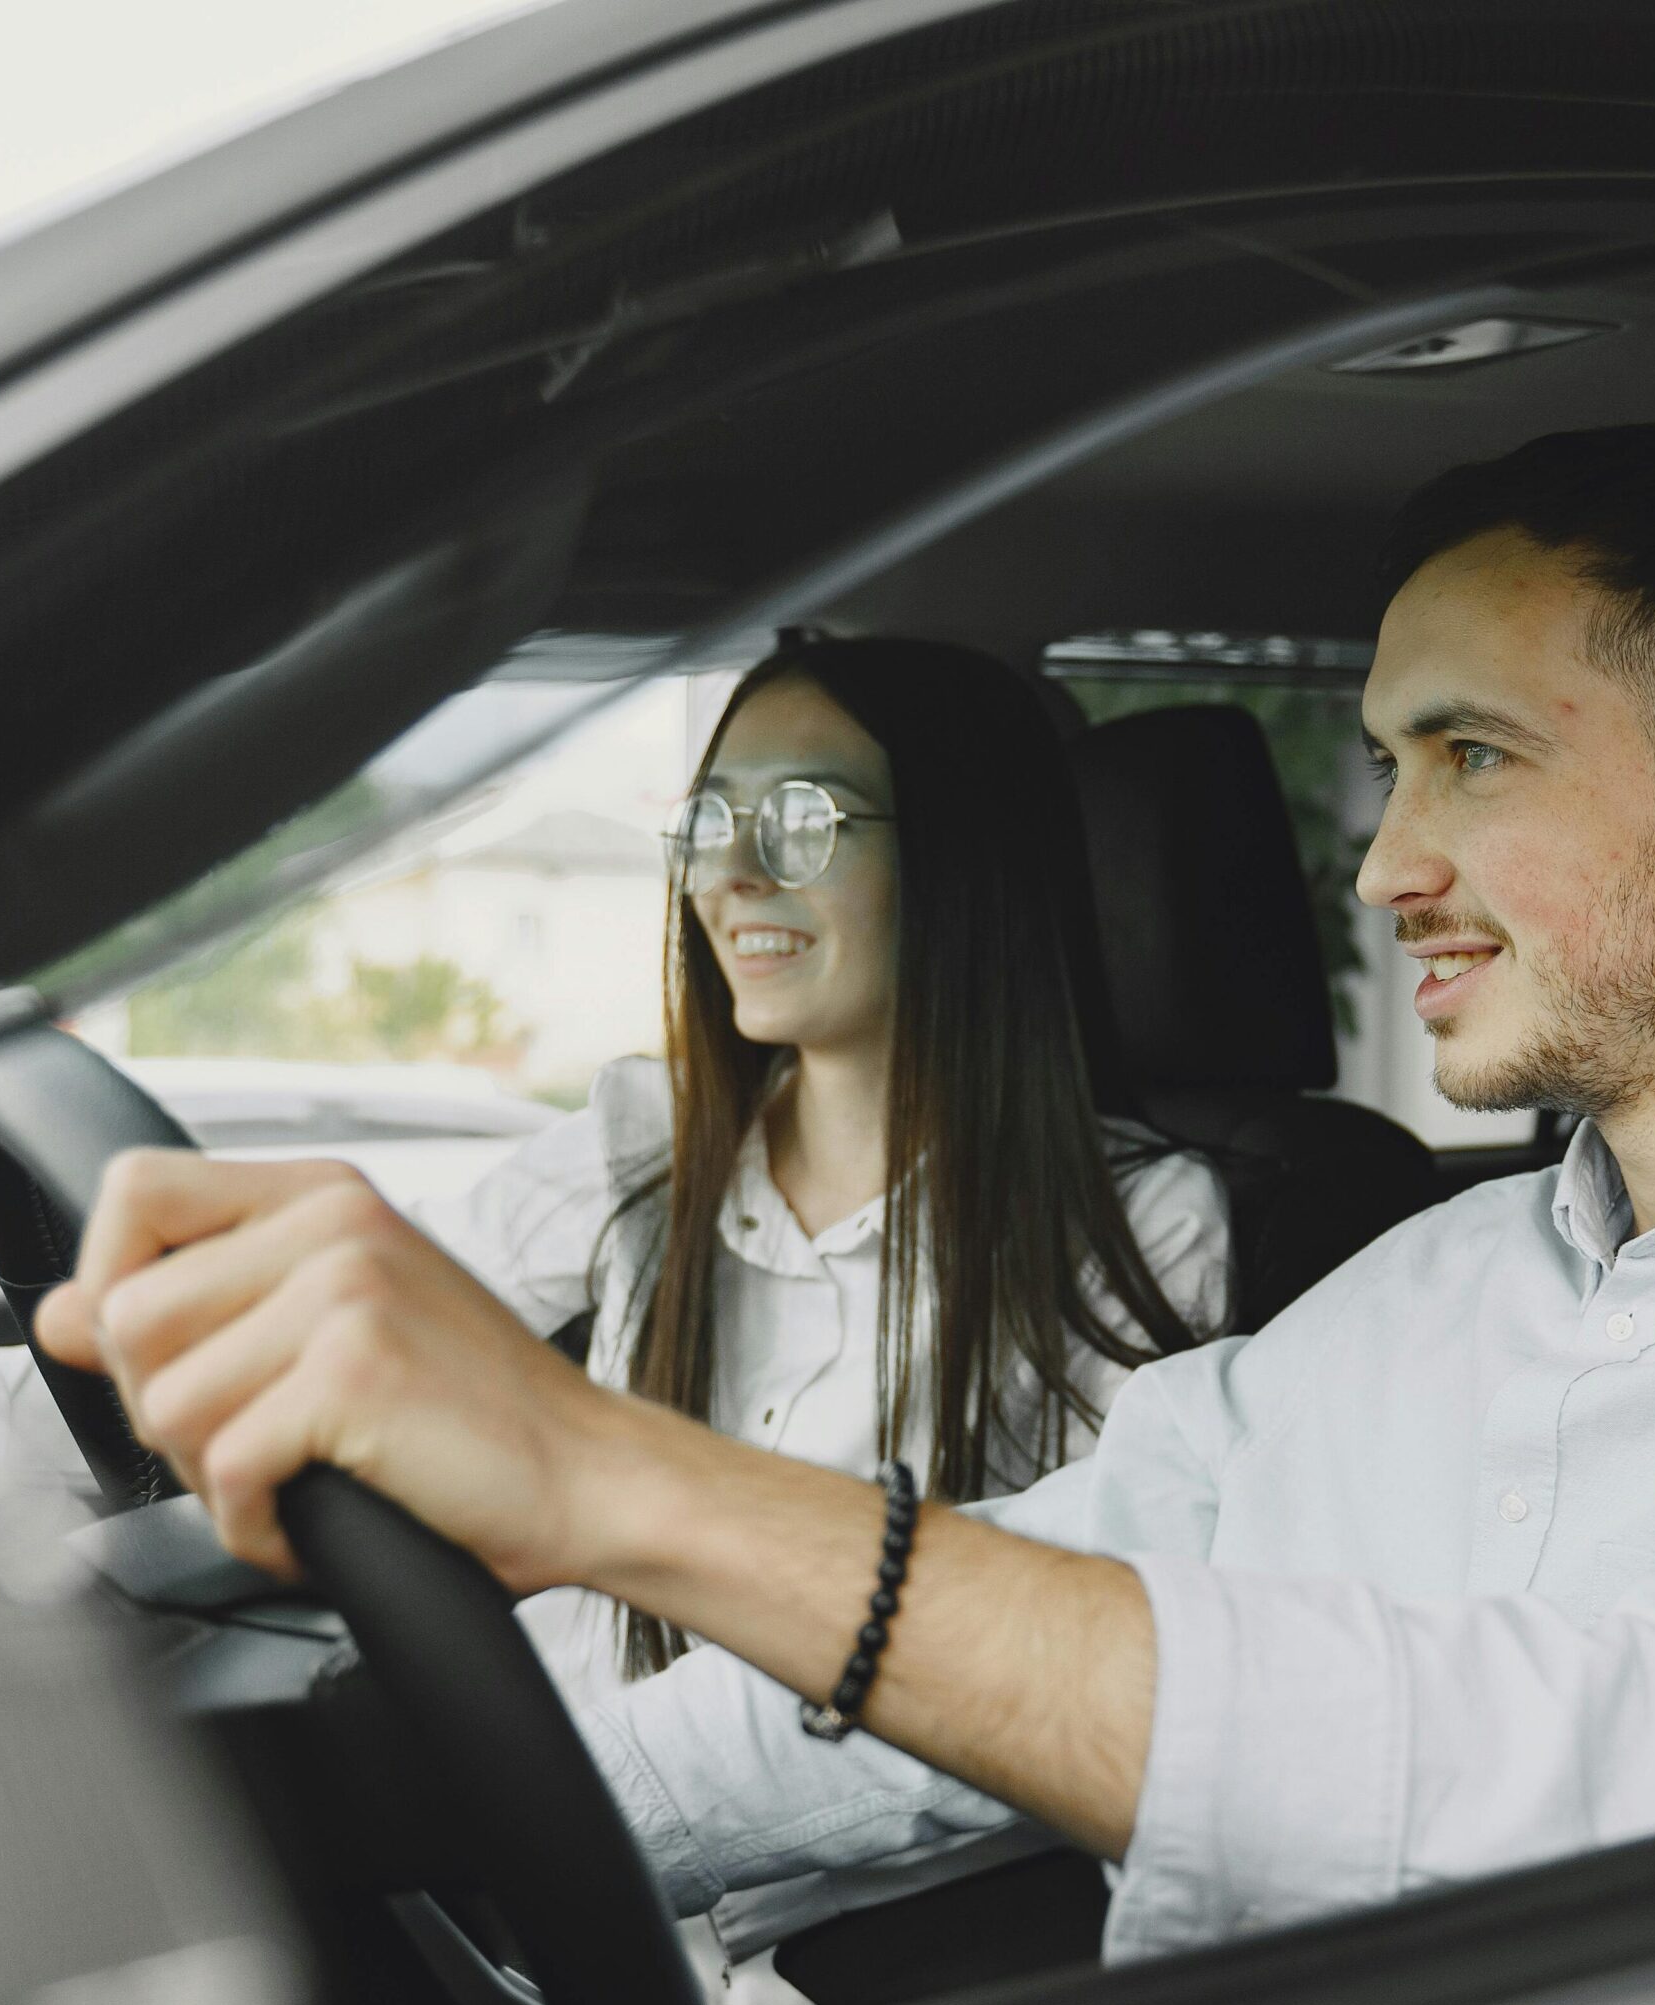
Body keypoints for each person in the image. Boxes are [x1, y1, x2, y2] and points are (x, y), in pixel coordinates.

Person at [38, 420, 1655, 1969]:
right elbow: (964, 1660)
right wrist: (308, 1811)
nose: (1382, 864)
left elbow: (1617, 1762)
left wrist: (605, 1476)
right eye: (1386, 772)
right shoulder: (1408, 1308)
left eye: (1471, 757)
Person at [411, 636, 1228, 1718]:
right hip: (545, 1819)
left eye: (806, 820)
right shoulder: (646, 1133)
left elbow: (1074, 1646)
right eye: (710, 819)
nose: (731, 873)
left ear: (958, 854)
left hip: (839, 1869)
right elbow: (387, 1322)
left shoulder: (1140, 1219)